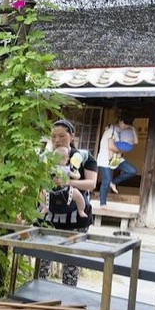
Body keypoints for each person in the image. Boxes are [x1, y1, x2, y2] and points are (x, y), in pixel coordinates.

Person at [39, 119, 97, 286]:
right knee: (43, 260)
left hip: (75, 218)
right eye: (54, 136)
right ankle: (38, 297)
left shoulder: (83, 157)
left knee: (71, 263)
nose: (57, 140)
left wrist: (67, 183)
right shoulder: (47, 158)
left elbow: (91, 184)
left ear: (72, 136)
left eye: (62, 136)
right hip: (49, 217)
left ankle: (69, 302)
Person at [96, 112, 138, 207]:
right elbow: (111, 146)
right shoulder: (111, 131)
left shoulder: (121, 129)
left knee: (132, 171)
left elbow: (135, 141)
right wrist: (122, 150)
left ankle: (114, 182)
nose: (126, 126)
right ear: (121, 121)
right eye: (125, 124)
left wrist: (133, 128)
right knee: (106, 180)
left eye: (128, 125)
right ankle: (103, 204)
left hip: (116, 158)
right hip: (104, 159)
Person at [40, 146, 87, 219]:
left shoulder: (68, 168)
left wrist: (74, 174)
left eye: (62, 158)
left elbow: (77, 176)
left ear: (67, 159)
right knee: (42, 193)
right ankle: (44, 207)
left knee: (77, 194)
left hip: (66, 189)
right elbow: (44, 174)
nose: (59, 161)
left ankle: (81, 210)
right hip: (51, 189)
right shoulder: (52, 167)